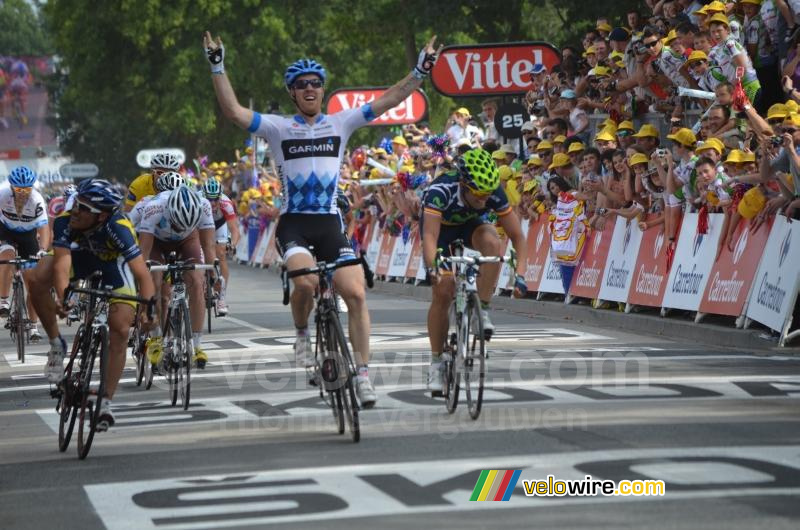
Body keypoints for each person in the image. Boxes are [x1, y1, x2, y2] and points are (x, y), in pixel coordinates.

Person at [203, 30, 443, 408]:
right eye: (302, 85)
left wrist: (420, 71)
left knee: (357, 293)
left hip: (330, 223)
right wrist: (218, 65)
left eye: (316, 83)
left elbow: (391, 99)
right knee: (305, 282)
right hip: (295, 223)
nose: (310, 89)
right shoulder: (278, 127)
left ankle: (362, 375)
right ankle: (301, 334)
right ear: (292, 93)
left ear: (322, 89)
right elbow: (233, 112)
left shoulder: (341, 123)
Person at [32, 179, 155, 430]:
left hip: (113, 267)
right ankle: (57, 345)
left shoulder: (118, 227)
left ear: (102, 217)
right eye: (77, 203)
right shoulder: (67, 220)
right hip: (81, 258)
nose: (76, 210)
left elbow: (142, 274)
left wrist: (147, 309)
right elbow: (63, 261)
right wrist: (64, 294)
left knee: (120, 329)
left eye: (84, 208)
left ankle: (105, 401)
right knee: (36, 278)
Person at [421, 148, 528, 396]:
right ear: (463, 184)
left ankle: (484, 309)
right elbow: (429, 236)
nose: (484, 200)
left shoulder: (491, 191)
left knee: (493, 244)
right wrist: (434, 268)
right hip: (440, 232)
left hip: (470, 226)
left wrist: (521, 275)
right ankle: (436, 362)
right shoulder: (440, 192)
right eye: (478, 194)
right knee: (444, 290)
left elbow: (518, 237)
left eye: (487, 194)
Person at [138, 185, 217, 370]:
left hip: (188, 240)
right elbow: (143, 252)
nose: (181, 227)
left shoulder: (204, 206)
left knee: (197, 284)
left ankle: (197, 345)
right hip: (157, 241)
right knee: (154, 281)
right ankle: (157, 337)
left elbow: (208, 245)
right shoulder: (154, 207)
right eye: (178, 223)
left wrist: (212, 273)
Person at [0, 166, 49, 341]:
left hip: (28, 235)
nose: (23, 193)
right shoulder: (2, 195)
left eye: (27, 189)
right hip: (5, 230)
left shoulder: (37, 200)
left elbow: (44, 229)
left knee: (32, 281)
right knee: (7, 257)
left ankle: (33, 325)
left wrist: (42, 250)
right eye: (19, 189)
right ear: (12, 187)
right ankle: (4, 301)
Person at [202, 177, 240, 315]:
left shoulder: (226, 203)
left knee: (221, 254)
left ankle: (221, 298)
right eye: (209, 199)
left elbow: (235, 230)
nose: (212, 203)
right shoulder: (197, 202)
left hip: (219, 225)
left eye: (215, 199)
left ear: (220, 197)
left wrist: (232, 245)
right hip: (201, 224)